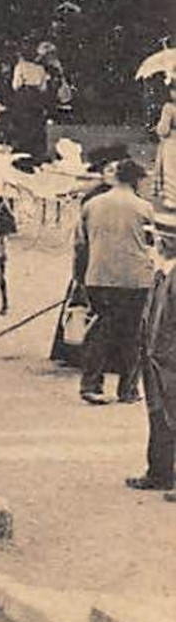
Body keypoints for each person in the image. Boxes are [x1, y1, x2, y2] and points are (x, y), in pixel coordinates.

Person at [75, 160, 153, 405]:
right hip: (135, 278)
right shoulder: (144, 208)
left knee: (100, 329)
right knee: (132, 334)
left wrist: (80, 277)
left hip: (99, 276)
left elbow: (80, 244)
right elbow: (153, 245)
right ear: (136, 180)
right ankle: (127, 389)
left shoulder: (92, 205)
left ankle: (91, 385)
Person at [128, 208, 176, 494]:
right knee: (159, 414)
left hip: (170, 359)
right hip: (156, 358)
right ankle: (159, 473)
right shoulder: (162, 272)